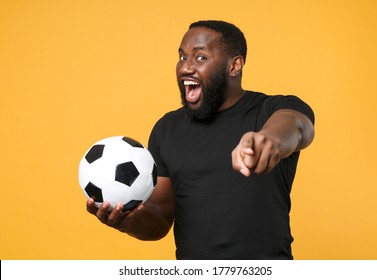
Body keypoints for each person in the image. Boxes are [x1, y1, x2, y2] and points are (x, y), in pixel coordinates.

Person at [86, 20, 315, 260]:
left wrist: (268, 139)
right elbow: (160, 218)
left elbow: (298, 127)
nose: (186, 68)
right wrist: (128, 220)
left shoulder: (272, 110)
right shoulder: (167, 128)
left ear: (234, 65)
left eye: (200, 58)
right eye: (182, 57)